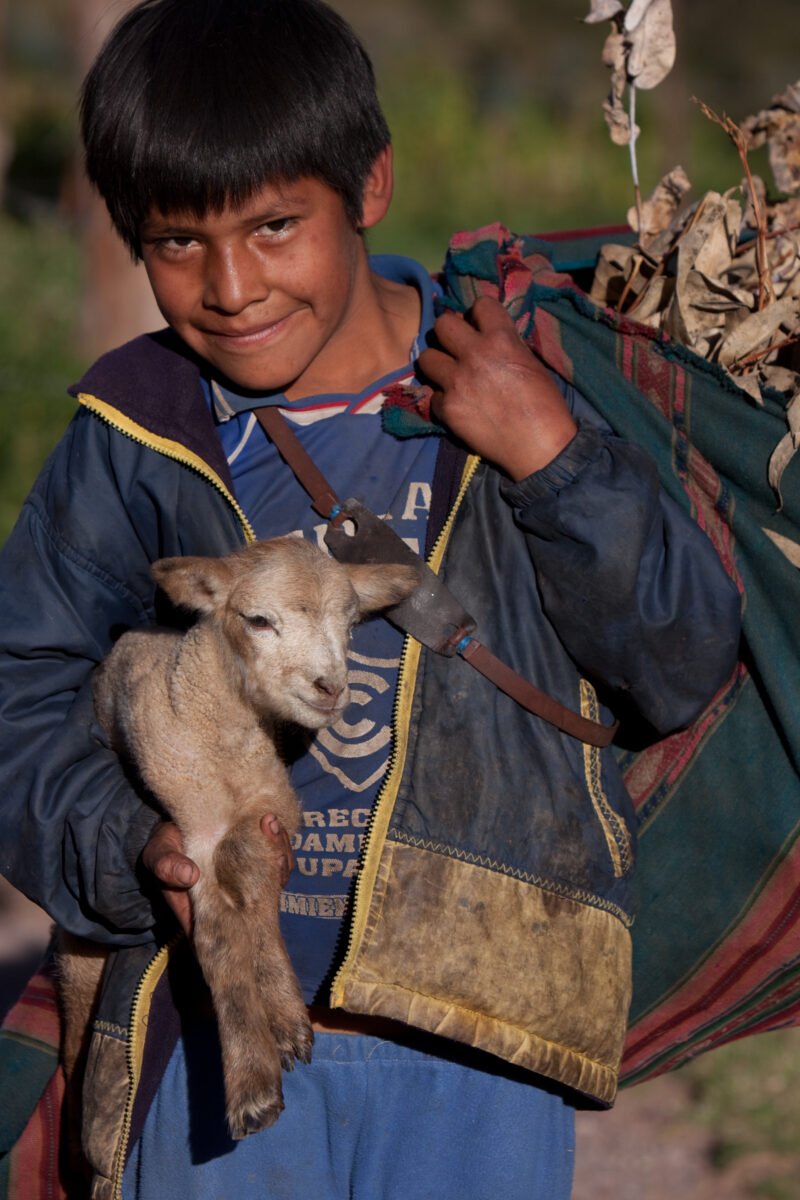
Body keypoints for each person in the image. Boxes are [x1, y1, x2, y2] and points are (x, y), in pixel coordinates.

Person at [0, 1, 741, 1196]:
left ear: (370, 185)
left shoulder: (520, 378)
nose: (231, 286)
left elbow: (677, 664)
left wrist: (550, 457)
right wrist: (132, 847)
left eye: (275, 225)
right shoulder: (137, 431)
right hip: (208, 1029)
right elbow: (19, 688)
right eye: (176, 243)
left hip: (475, 1051)